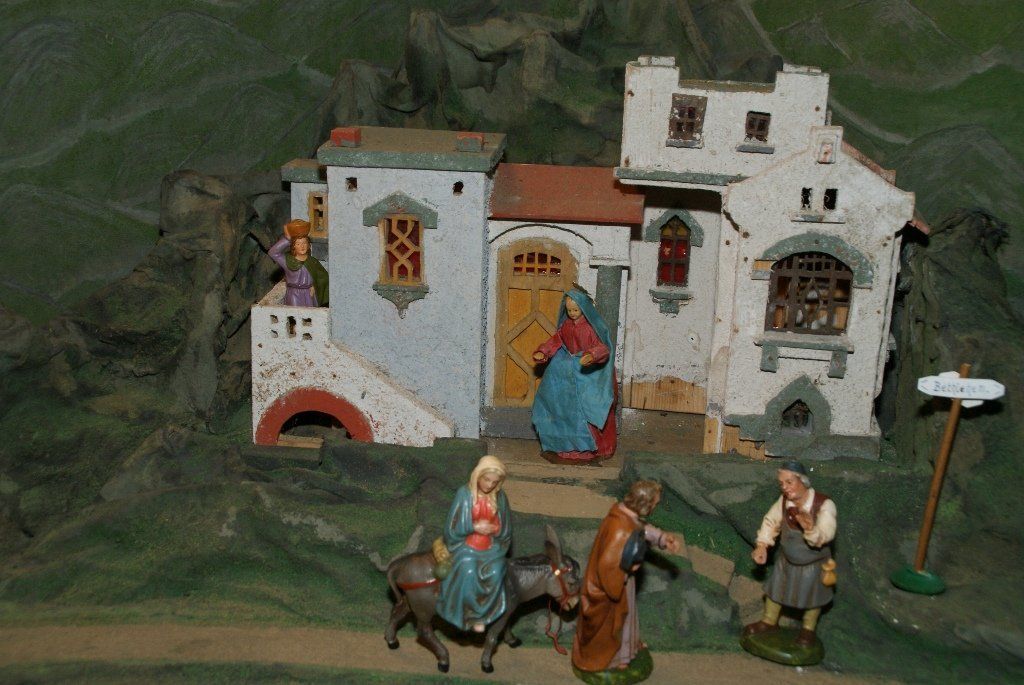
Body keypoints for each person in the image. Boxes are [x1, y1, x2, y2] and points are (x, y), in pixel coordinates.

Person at [572, 480, 682, 675]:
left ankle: (630, 648)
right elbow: (607, 566)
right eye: (654, 503)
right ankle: (617, 658)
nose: (655, 507)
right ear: (644, 503)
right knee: (617, 620)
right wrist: (628, 569)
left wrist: (662, 538)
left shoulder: (624, 514)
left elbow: (641, 528)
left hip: (622, 579)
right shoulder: (620, 528)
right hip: (611, 585)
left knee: (629, 614)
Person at [743, 460, 837, 647]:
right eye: (781, 483)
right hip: (786, 561)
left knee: (813, 598)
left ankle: (808, 629)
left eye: (789, 482)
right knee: (775, 591)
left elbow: (826, 534)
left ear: (803, 481)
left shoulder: (824, 505)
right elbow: (771, 522)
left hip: (813, 564)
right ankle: (769, 621)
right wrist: (762, 545)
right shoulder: (784, 501)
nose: (784, 487)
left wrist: (810, 529)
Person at [531, 288, 616, 464]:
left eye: (576, 309)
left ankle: (590, 449)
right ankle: (565, 447)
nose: (572, 313)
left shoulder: (591, 328)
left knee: (587, 410)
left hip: (588, 374)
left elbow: (603, 348)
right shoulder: (566, 326)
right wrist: (543, 351)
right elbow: (556, 340)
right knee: (559, 407)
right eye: (569, 310)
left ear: (584, 308)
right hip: (565, 372)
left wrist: (591, 355)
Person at [436, 456, 512, 633]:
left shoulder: (500, 498)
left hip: (491, 548)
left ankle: (482, 616)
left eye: (494, 482)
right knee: (468, 571)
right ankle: (464, 612)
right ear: (478, 475)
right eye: (486, 479)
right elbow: (452, 527)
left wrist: (494, 528)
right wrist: (475, 527)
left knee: (497, 571)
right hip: (466, 547)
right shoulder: (464, 494)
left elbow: (505, 529)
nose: (489, 485)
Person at [268, 219, 329, 307]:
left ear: (308, 245)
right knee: (295, 312)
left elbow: (323, 277)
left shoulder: (312, 261)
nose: (302, 246)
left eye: (304, 243)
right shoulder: (287, 260)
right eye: (298, 244)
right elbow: (273, 253)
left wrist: (314, 286)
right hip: (294, 294)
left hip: (309, 293)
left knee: (309, 313)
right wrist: (287, 239)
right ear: (293, 246)